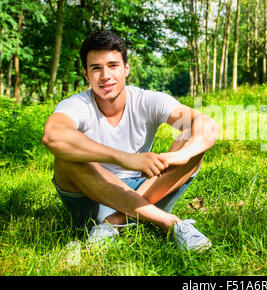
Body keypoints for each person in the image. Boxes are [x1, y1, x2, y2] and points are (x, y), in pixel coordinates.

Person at [42, 30, 218, 251]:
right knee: (66, 156)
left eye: (113, 65)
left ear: (126, 68)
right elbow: (53, 135)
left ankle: (112, 224)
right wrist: (124, 159)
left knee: (191, 142)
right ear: (86, 74)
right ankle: (169, 222)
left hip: (146, 188)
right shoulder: (77, 105)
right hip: (92, 195)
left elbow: (206, 125)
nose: (105, 75)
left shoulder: (148, 100)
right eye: (96, 68)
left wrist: (179, 156)